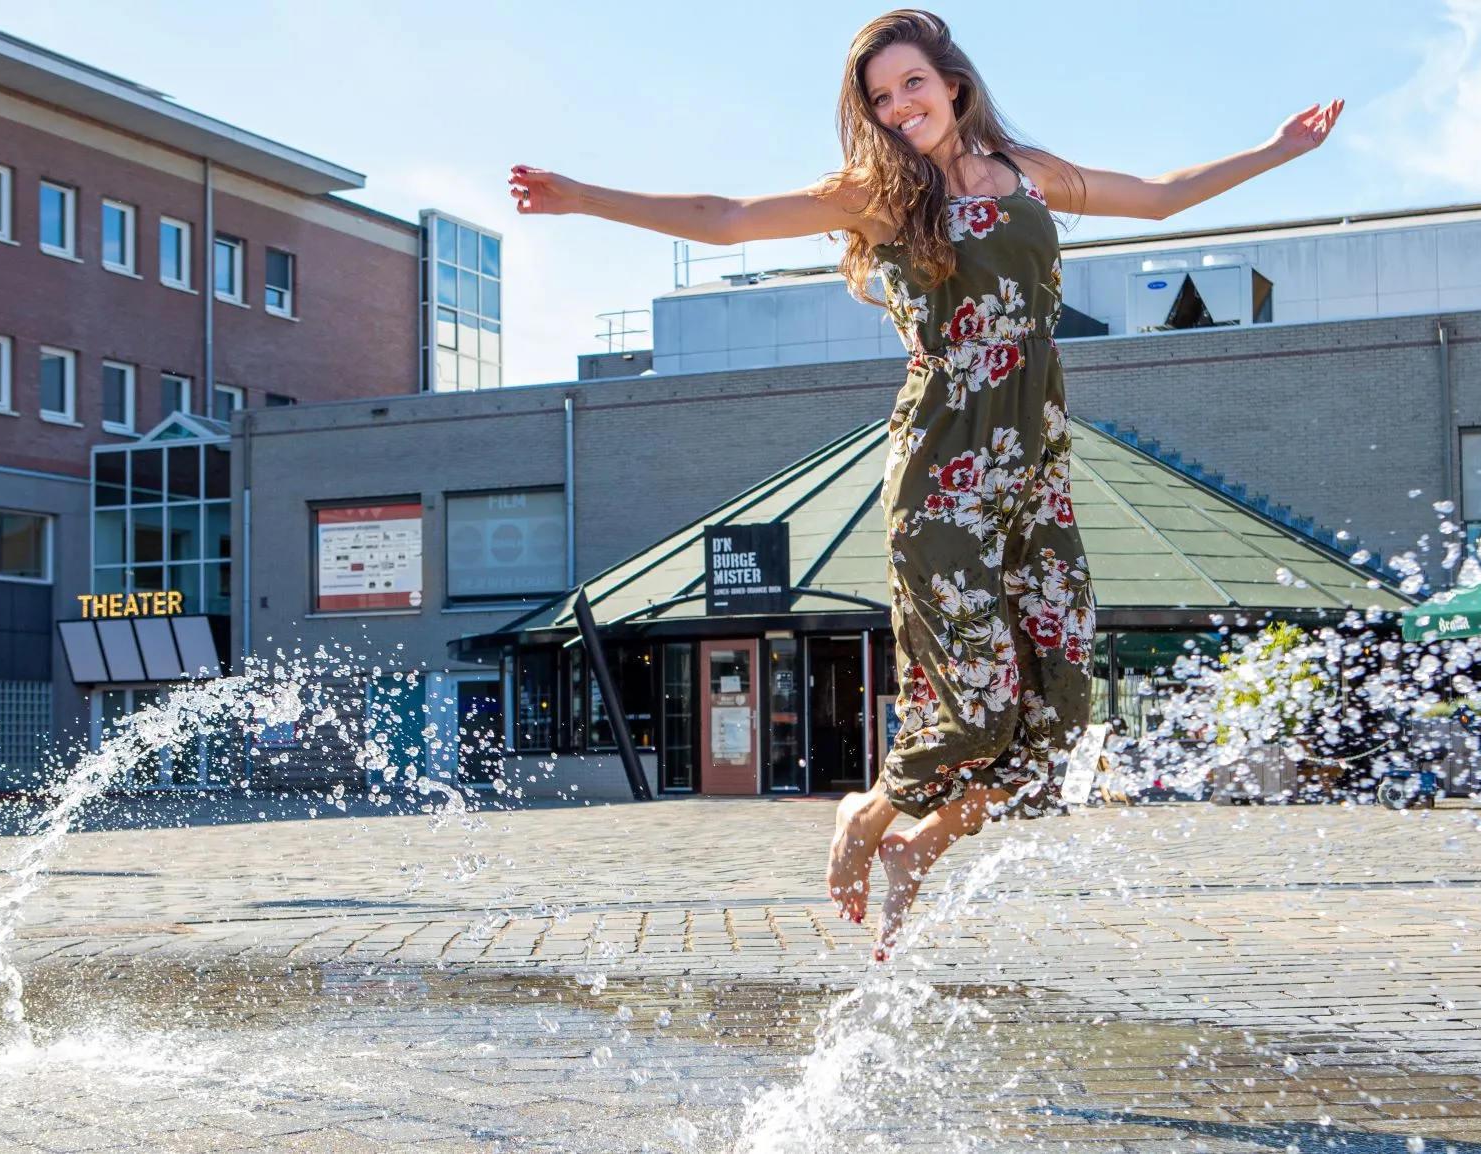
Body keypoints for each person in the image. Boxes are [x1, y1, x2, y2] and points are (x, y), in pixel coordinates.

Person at [507, 9, 1341, 960]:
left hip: (1032, 479)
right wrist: (583, 197)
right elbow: (725, 218)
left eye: (912, 84)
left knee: (1057, 721)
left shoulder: (1025, 171)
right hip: (943, 477)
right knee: (977, 706)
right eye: (880, 97)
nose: (901, 108)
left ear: (951, 81)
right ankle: (866, 814)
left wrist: (1277, 151)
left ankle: (918, 845)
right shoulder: (879, 195)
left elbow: (1155, 198)